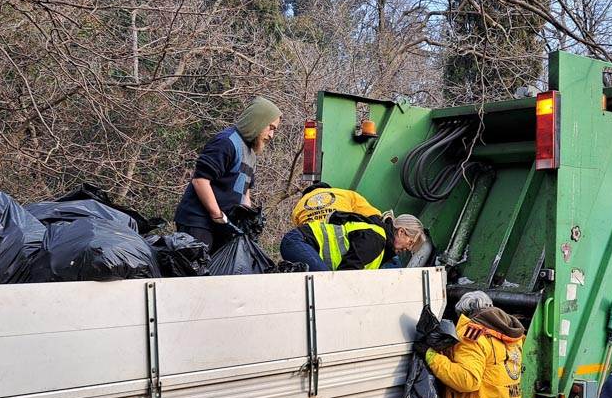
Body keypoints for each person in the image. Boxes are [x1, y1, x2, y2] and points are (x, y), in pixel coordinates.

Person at [173, 97, 281, 250]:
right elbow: (201, 181)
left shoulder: (251, 154)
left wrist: (246, 222)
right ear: (258, 121)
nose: (271, 135)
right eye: (270, 127)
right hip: (198, 222)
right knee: (197, 271)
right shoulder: (226, 142)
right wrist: (217, 215)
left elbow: (245, 192)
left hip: (223, 227)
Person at [279, 214, 425, 271]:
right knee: (325, 284)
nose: (408, 248)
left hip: (300, 243)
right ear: (401, 232)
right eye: (410, 242)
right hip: (299, 242)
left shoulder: (380, 243)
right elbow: (347, 273)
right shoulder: (376, 239)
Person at [291, 182, 382, 226]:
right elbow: (374, 215)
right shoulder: (345, 193)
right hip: (344, 235)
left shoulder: (298, 206)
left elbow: (300, 230)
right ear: (329, 189)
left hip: (313, 242)